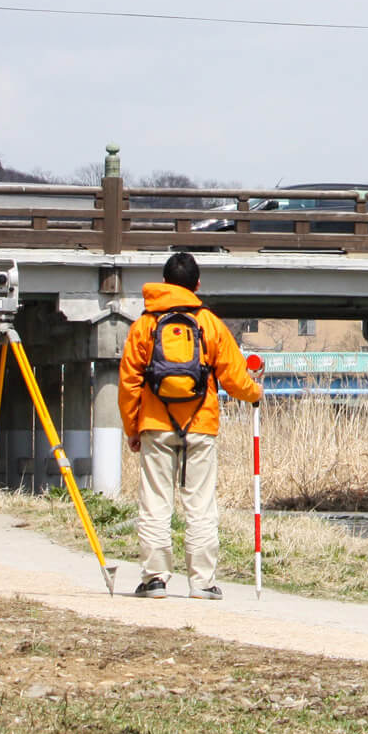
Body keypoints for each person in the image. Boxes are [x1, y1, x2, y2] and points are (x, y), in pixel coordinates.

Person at [119, 250, 261, 599]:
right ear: (197, 285)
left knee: (155, 502)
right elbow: (233, 377)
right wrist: (255, 391)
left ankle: (155, 579)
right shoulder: (209, 324)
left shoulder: (145, 325)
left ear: (164, 283)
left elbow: (129, 383)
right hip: (201, 425)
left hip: (155, 424)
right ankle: (202, 582)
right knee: (200, 504)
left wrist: (133, 428)